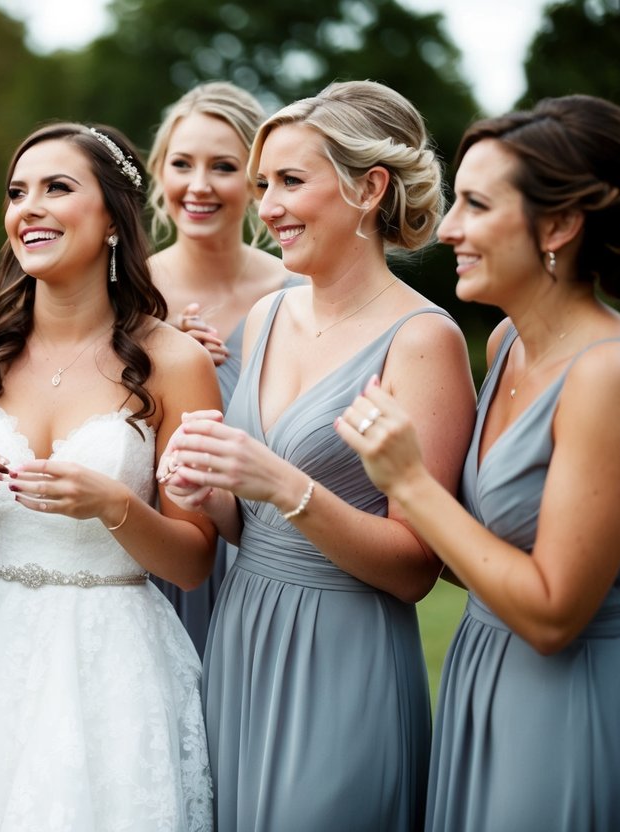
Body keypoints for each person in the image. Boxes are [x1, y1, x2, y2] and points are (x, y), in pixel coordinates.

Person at [159, 80, 476, 830]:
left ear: (368, 189)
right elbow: (251, 521)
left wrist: (278, 482)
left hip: (344, 654)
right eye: (263, 182)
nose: (264, 205)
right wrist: (209, 491)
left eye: (289, 182)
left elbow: (413, 569)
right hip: (239, 638)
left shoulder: (422, 341)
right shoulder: (267, 313)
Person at [0, 122, 220, 830]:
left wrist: (114, 506)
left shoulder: (175, 363)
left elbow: (194, 562)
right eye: (16, 193)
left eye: (56, 188)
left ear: (110, 221)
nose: (27, 208)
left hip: (116, 657)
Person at [337, 94, 620, 831]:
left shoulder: (608, 376)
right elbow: (466, 558)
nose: (446, 229)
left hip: (566, 700)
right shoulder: (503, 346)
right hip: (479, 676)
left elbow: (551, 614)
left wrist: (407, 481)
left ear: (558, 225)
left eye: (474, 204)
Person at [145, 81, 302, 656]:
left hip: (270, 553)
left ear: (258, 180)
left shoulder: (298, 293)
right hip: (165, 548)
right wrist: (164, 362)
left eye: (224, 166)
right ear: (160, 172)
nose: (200, 185)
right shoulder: (127, 295)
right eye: (182, 163)